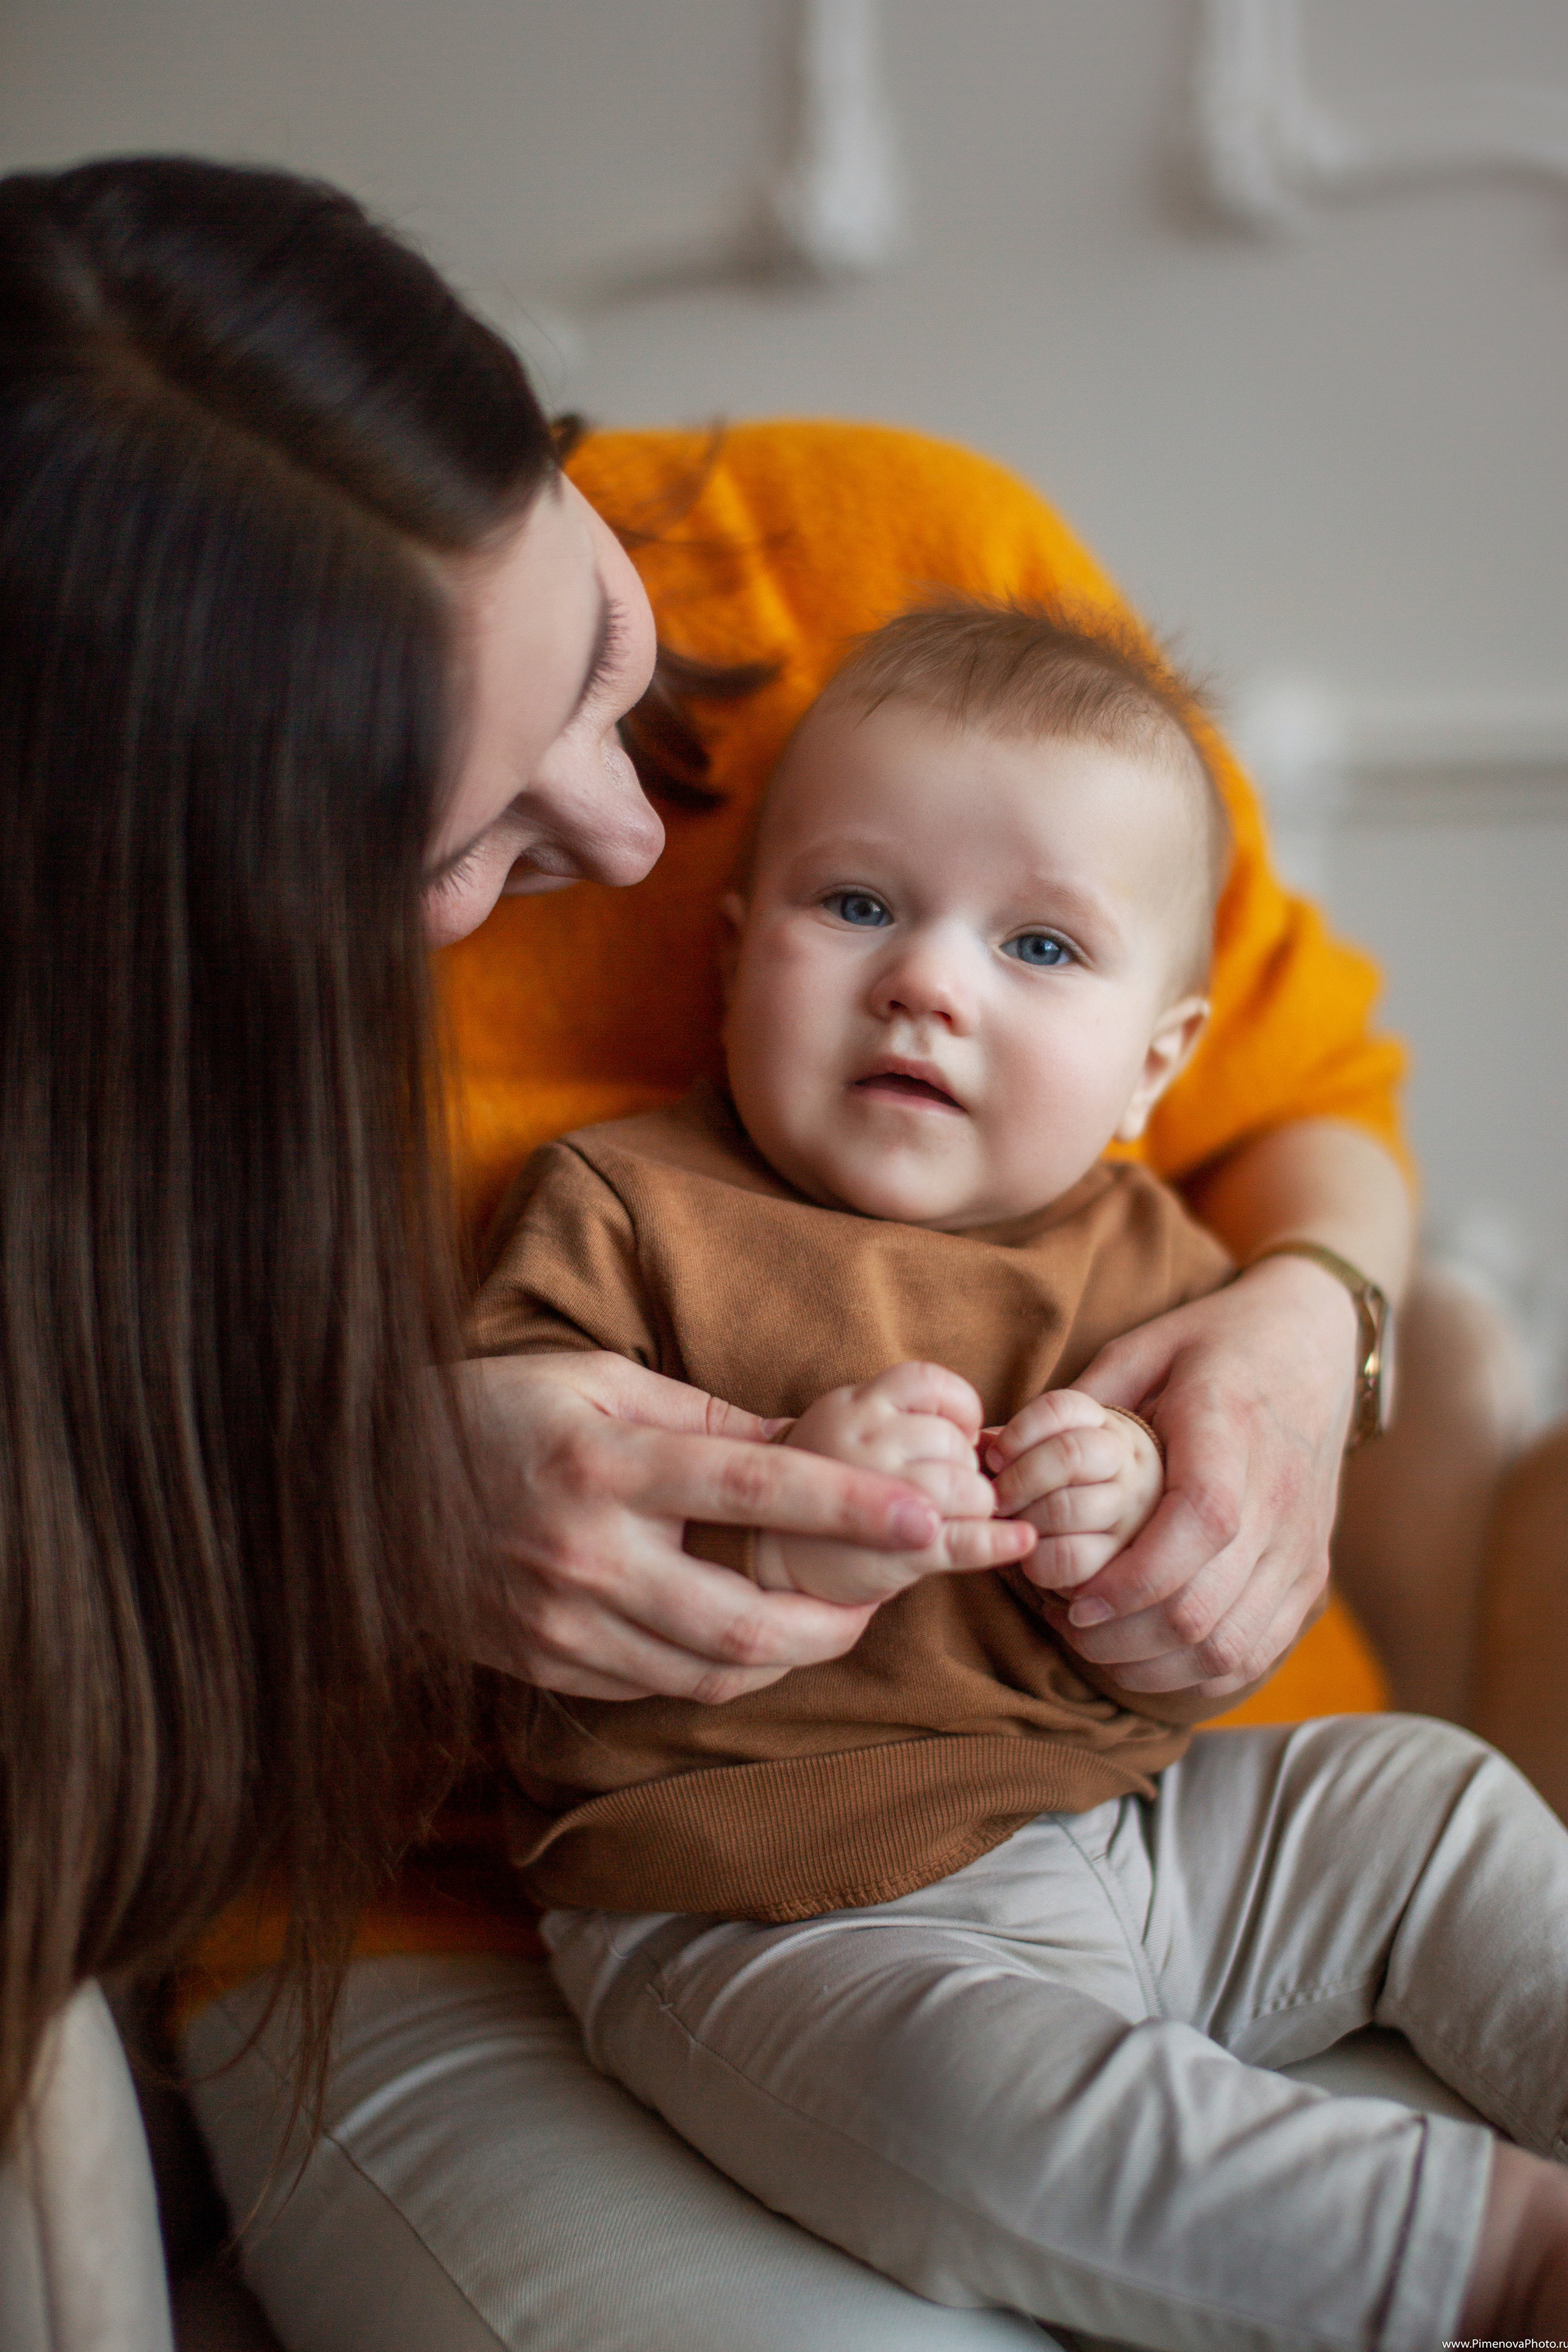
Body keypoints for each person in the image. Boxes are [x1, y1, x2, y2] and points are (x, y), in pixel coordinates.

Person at [0, 149, 1525, 2350]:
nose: (634, 835)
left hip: (1174, 1802)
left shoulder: (909, 570)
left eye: (598, 646)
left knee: (1449, 1824)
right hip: (583, 1912)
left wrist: (1298, 1340)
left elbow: (1307, 1108)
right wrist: (365, 1508)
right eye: (483, 836)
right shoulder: (588, 1193)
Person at [467, 600, 1568, 2346]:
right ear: (735, 950)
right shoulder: (625, 1210)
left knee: (1421, 1802)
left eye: (1041, 947)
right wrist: (797, 1536)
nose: (930, 979)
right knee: (986, 2112)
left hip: (1140, 1835)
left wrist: (1140, 1550)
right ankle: (1488, 2258)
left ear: (1155, 1066)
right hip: (766, 1906)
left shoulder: (1155, 1260)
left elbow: (1219, 1624)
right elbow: (531, 1555)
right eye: (857, 907)